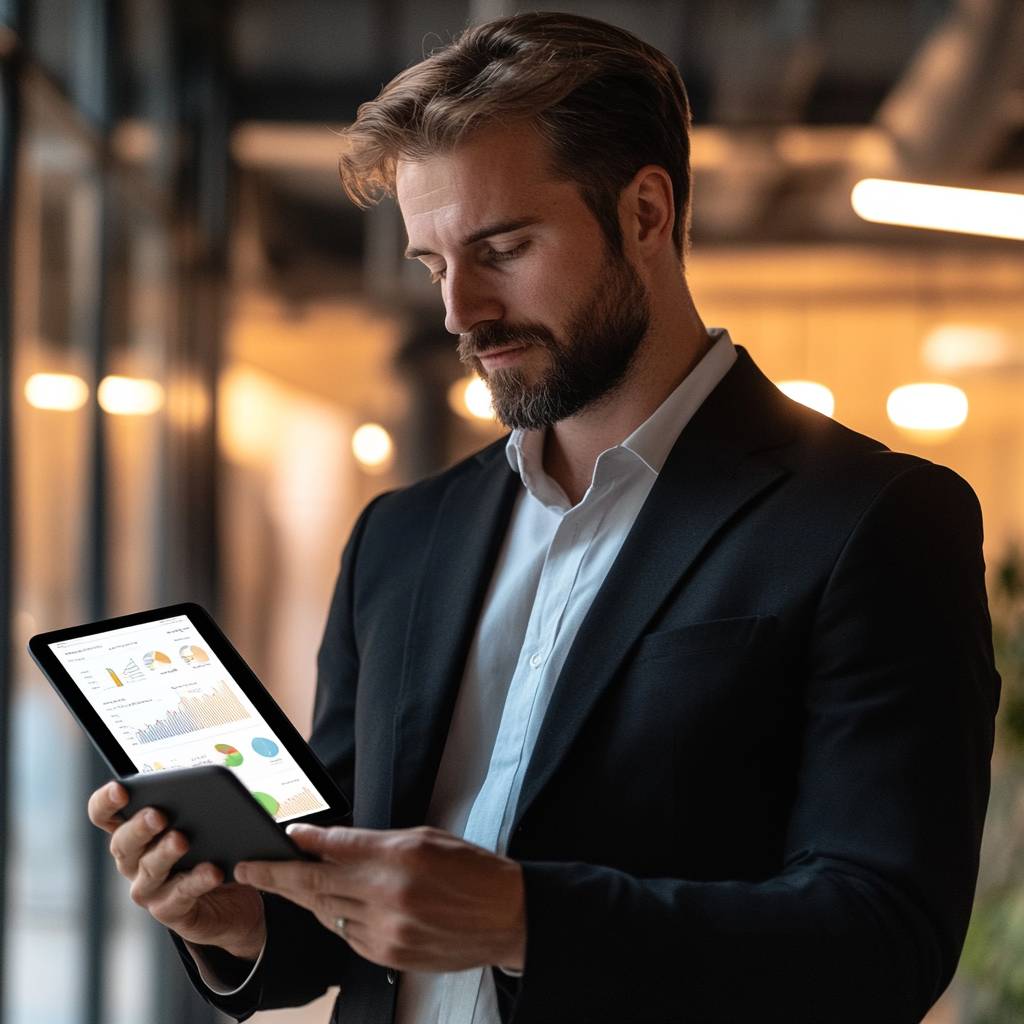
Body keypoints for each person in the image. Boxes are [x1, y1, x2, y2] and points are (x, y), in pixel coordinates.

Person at [87, 11, 1000, 1023]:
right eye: (432, 264)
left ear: (646, 212)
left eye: (503, 247)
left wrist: (527, 919)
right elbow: (351, 907)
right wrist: (243, 919)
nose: (459, 314)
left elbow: (882, 942)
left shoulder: (872, 519)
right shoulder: (400, 535)